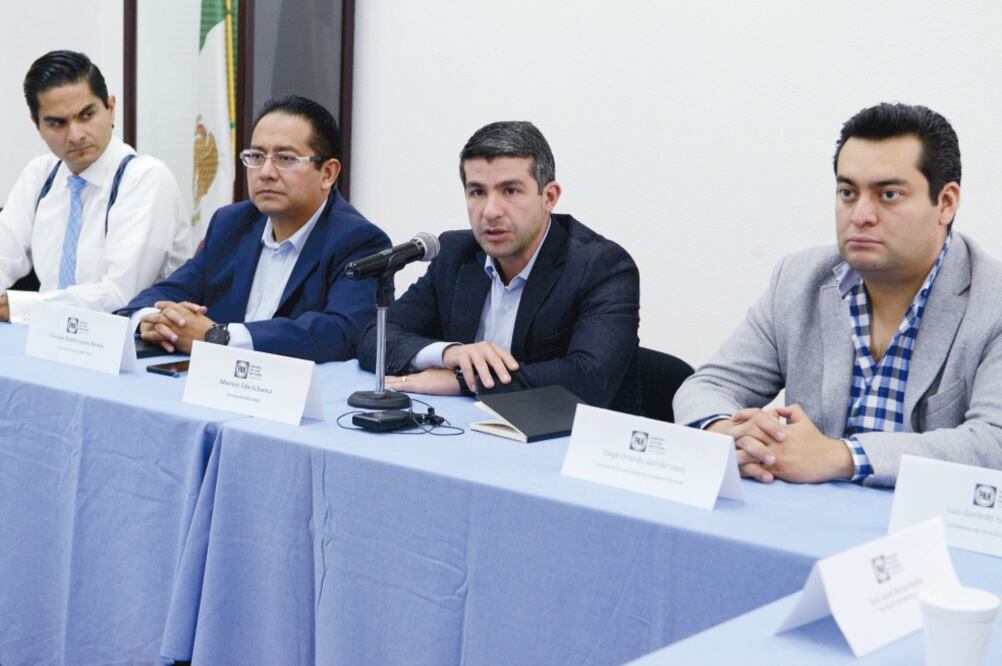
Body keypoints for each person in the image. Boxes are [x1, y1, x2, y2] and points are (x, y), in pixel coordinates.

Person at [673, 103, 1002, 487]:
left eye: (889, 195)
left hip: (934, 533)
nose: (860, 214)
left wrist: (843, 457)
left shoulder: (990, 301)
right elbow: (708, 386)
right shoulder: (798, 279)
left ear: (945, 202)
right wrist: (728, 435)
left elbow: (992, 442)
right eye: (847, 192)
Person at [358, 121, 641, 411]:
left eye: (511, 191)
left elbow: (589, 379)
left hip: (565, 441)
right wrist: (450, 354)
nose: (491, 212)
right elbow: (374, 338)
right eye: (478, 192)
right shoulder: (456, 254)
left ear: (550, 197)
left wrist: (463, 381)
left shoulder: (601, 266)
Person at [117, 95, 390, 362]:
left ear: (327, 173)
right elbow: (166, 293)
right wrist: (149, 321)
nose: (265, 172)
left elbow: (343, 332)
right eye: (256, 156)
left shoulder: (359, 241)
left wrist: (218, 337)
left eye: (285, 158)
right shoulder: (231, 224)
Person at [0, 50, 190, 321]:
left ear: (110, 108)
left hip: (132, 346)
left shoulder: (146, 178)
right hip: (47, 337)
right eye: (57, 123)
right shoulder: (39, 175)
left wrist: (20, 307)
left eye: (86, 115)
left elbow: (121, 296)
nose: (75, 135)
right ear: (38, 126)